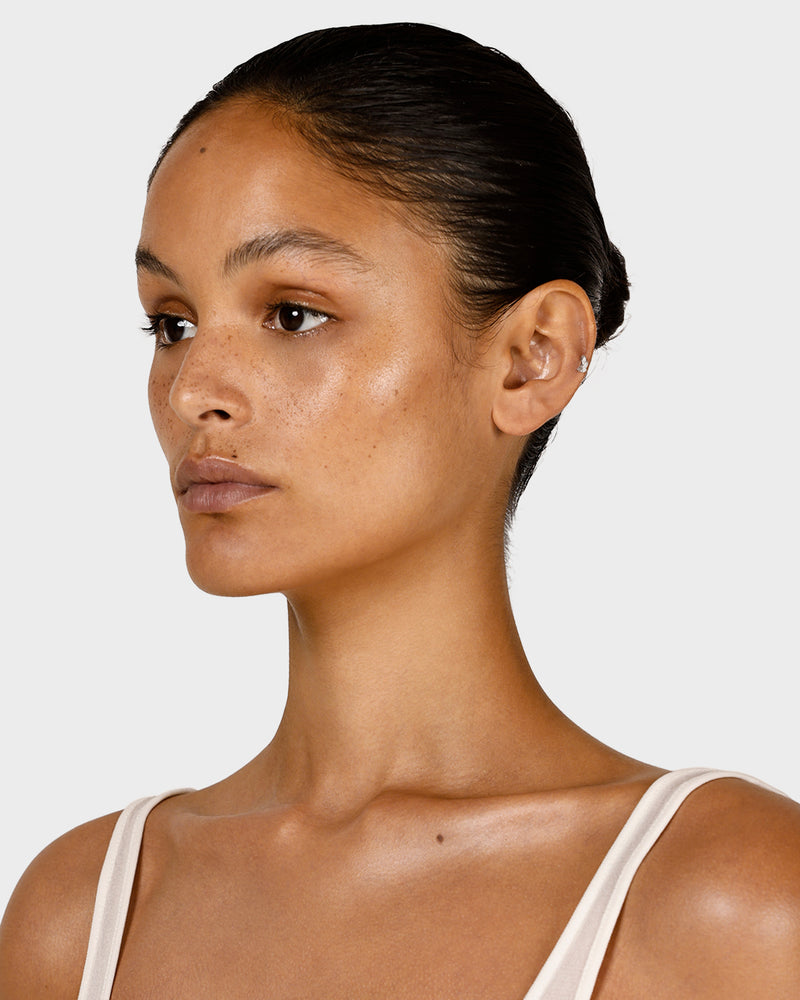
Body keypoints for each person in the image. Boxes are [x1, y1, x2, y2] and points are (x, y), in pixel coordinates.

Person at [1, 22, 798, 999]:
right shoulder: (82, 915)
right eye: (172, 323)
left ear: (531, 358)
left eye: (293, 314)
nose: (192, 390)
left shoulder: (734, 905)